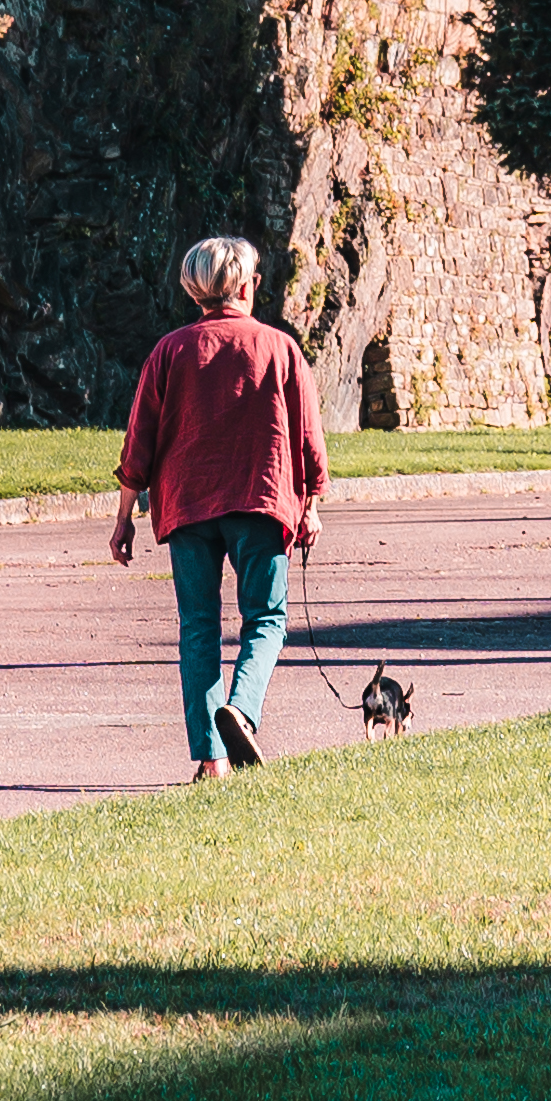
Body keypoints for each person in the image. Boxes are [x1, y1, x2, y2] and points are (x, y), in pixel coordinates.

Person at [112, 235, 326, 783]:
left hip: (187, 505)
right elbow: (305, 437)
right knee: (267, 617)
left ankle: (212, 757)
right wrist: (312, 505)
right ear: (243, 285)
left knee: (199, 628)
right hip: (260, 498)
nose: (257, 286)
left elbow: (140, 441)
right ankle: (243, 711)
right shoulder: (279, 348)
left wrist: (123, 518)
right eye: (254, 278)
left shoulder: (170, 351)